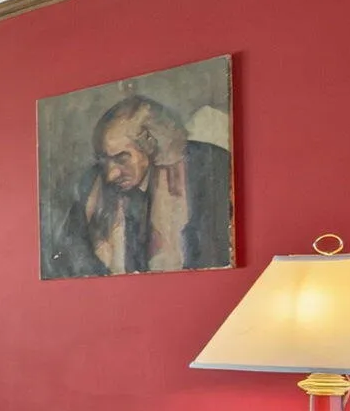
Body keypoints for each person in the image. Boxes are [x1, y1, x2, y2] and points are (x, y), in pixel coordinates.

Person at [50, 95, 231, 276]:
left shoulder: (210, 167)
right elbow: (69, 254)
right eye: (104, 160)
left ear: (150, 143)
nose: (111, 174)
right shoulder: (91, 183)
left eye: (122, 158)